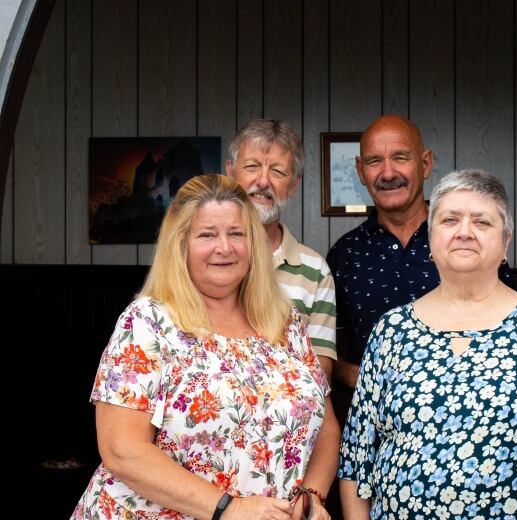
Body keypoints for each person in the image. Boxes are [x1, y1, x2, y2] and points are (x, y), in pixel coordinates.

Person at [339, 169, 517, 519]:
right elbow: (355, 462)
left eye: (482, 222)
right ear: (430, 236)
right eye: (450, 219)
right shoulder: (392, 331)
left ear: (506, 241)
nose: (465, 232)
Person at [72, 175, 338, 520]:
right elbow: (121, 449)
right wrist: (227, 508)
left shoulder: (284, 323)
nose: (224, 247)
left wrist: (312, 496)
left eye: (236, 234)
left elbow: (326, 426)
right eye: (207, 235)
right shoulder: (147, 322)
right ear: (180, 244)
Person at [326, 115, 511, 392]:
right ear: (360, 170)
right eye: (375, 161)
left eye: (400, 157)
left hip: (471, 414)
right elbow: (329, 350)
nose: (388, 173)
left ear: (425, 163)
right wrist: (358, 376)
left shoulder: (464, 242)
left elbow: (510, 328)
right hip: (376, 425)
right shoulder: (344, 255)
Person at [227, 118, 337, 382]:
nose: (263, 181)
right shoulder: (204, 256)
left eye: (277, 171)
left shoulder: (315, 271)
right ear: (230, 172)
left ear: (294, 184)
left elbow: (319, 376)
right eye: (252, 166)